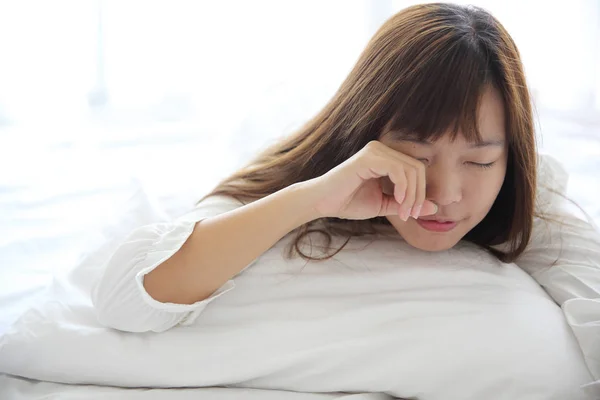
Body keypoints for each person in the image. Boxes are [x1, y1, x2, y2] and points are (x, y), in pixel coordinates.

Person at [92, 2, 599, 394]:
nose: (446, 195)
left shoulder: (529, 195)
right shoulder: (307, 173)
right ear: (366, 135)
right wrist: (311, 200)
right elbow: (127, 299)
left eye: (479, 161)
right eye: (418, 156)